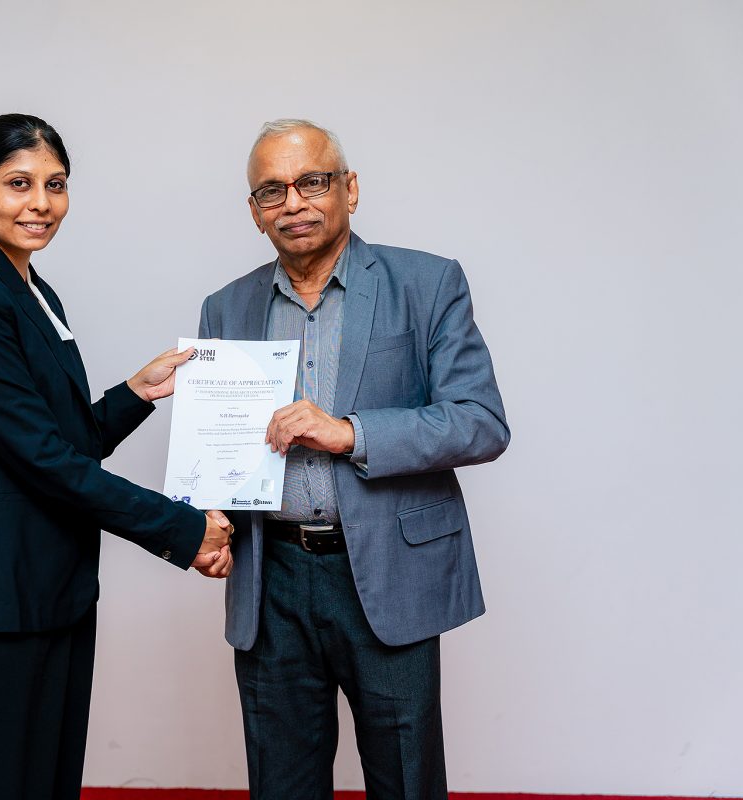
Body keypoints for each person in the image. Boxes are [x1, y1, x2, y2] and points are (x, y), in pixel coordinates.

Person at [0, 113, 234, 800]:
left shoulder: (31, 289)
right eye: (19, 183)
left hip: (50, 585)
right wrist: (183, 530)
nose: (41, 203)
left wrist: (136, 393)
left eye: (55, 185)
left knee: (45, 782)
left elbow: (58, 441)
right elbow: (41, 460)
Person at [198, 119, 510, 800]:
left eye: (312, 182)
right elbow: (222, 445)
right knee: (281, 785)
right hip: (270, 580)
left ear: (351, 189)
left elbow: (481, 423)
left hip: (388, 575)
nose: (294, 203)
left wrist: (349, 433)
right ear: (255, 211)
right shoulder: (225, 308)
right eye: (272, 191)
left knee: (405, 782)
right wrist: (211, 513)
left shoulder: (427, 283)